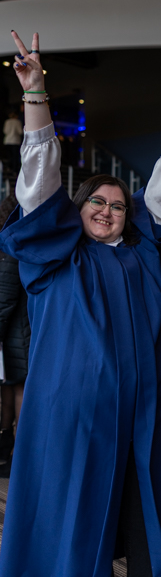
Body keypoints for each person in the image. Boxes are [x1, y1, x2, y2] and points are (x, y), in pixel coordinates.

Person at [0, 31, 161, 577]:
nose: (108, 211)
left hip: (144, 414)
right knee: (81, 517)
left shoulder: (140, 256)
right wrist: (36, 93)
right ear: (76, 209)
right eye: (96, 203)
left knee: (144, 519)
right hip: (78, 418)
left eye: (116, 204)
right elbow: (39, 180)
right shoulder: (53, 255)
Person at [0, 194, 31, 476]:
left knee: (16, 390)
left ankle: (16, 454)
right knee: (11, 389)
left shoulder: (10, 248)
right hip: (21, 332)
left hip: (15, 335)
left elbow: (4, 299)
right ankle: (10, 447)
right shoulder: (25, 244)